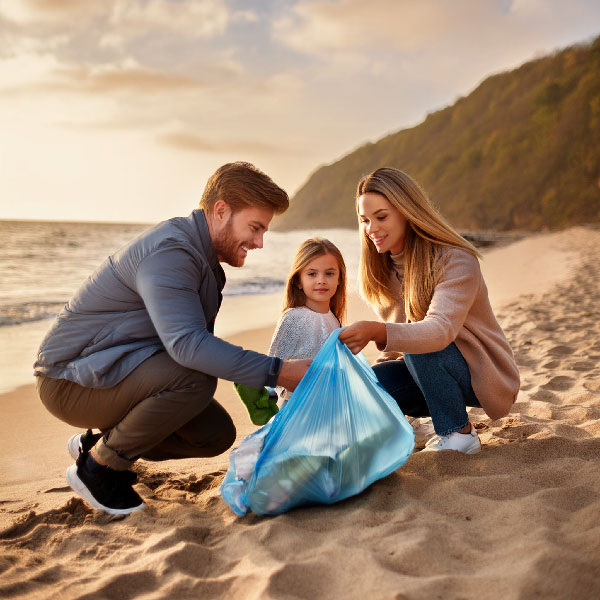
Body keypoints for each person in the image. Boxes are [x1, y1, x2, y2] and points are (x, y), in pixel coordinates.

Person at [34, 162, 310, 515]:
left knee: (215, 433)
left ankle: (97, 443)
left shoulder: (205, 263)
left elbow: (187, 346)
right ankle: (99, 468)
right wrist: (277, 371)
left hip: (114, 374)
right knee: (195, 379)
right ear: (221, 211)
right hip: (69, 381)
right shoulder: (171, 252)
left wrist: (257, 376)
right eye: (255, 228)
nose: (258, 242)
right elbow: (188, 347)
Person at [339, 167, 520, 454]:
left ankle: (459, 433)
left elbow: (438, 332)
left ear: (407, 211)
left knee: (419, 341)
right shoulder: (383, 270)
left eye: (381, 217)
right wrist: (373, 385)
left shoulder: (455, 260)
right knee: (369, 383)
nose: (371, 228)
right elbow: (396, 346)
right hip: (428, 372)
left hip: (481, 376)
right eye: (365, 220)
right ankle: (422, 421)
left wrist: (376, 331)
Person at [268, 237, 347, 404]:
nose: (321, 280)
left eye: (329, 273)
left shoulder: (334, 320)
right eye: (312, 274)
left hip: (327, 403)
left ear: (339, 278)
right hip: (296, 404)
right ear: (298, 281)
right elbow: (274, 364)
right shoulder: (294, 317)